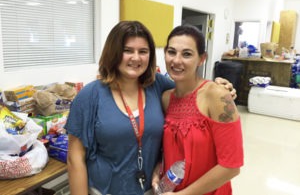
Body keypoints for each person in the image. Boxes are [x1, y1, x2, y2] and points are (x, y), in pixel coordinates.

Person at [65, 21, 237, 195]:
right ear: (113, 52)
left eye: (143, 51)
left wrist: (222, 90)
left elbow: (190, 92)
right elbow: (75, 159)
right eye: (127, 50)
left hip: (150, 190)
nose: (136, 57)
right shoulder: (90, 96)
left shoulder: (157, 86)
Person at [152, 25, 244, 195]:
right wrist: (158, 168)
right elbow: (169, 149)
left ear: (202, 59)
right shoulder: (166, 98)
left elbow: (231, 166)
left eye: (187, 54)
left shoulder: (216, 95)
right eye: (172, 52)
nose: (177, 60)